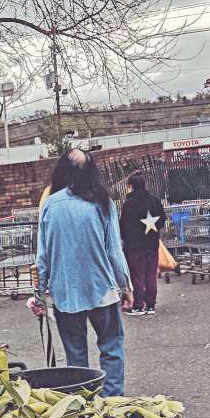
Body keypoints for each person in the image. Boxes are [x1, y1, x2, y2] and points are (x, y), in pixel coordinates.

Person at [34, 149, 132, 396]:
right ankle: (113, 402)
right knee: (111, 348)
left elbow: (42, 257)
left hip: (65, 293)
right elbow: (114, 252)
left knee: (75, 356)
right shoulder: (102, 202)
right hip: (102, 290)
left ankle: (83, 402)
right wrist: (125, 286)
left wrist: (39, 296)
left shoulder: (50, 205)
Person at [119, 173, 167, 316]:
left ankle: (138, 305)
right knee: (151, 275)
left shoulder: (129, 204)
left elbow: (123, 226)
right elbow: (162, 218)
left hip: (134, 247)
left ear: (131, 186)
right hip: (152, 244)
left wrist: (126, 240)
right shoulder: (154, 201)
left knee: (137, 276)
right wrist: (154, 230)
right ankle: (150, 305)